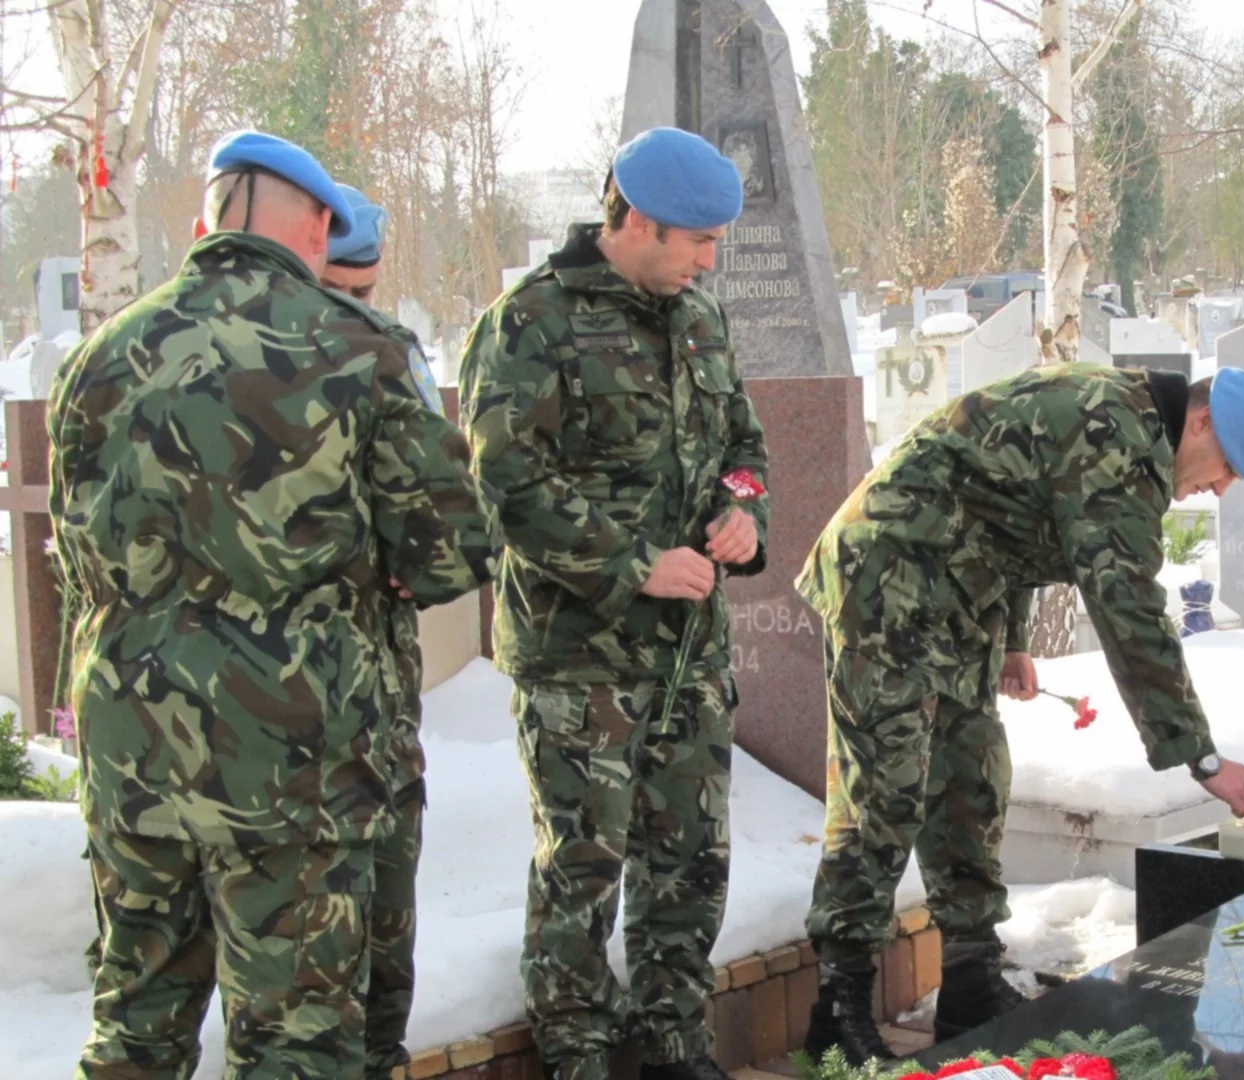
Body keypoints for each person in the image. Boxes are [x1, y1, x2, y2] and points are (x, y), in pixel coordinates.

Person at [51, 129, 493, 1079]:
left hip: (134, 753)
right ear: (320, 226)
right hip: (293, 766)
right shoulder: (358, 347)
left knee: (134, 1026)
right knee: (295, 1043)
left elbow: (81, 554)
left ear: (206, 219)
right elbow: (450, 552)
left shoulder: (100, 356)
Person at [797, 364, 1244, 1065]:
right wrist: (1201, 758)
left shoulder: (1135, 425)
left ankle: (970, 981)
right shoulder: (1117, 438)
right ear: (1201, 422)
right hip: (888, 573)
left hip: (958, 585)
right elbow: (1128, 610)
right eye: (1228, 467)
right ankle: (838, 1009)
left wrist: (1013, 640)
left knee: (972, 779)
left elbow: (1014, 506)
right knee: (884, 786)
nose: (1220, 488)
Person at [460, 127, 770, 1080]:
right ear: (636, 219)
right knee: (583, 869)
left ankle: (675, 1043)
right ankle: (579, 1054)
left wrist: (744, 516)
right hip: (580, 657)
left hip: (688, 651)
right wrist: (634, 563)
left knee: (690, 861)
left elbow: (744, 448)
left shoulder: (700, 320)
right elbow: (507, 483)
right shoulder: (531, 322)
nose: (709, 262)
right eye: (698, 241)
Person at [321, 182, 442, 1075]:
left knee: (382, 956)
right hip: (287, 736)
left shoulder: (390, 355)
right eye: (338, 290)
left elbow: (444, 526)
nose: (353, 311)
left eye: (365, 293)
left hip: (377, 709)